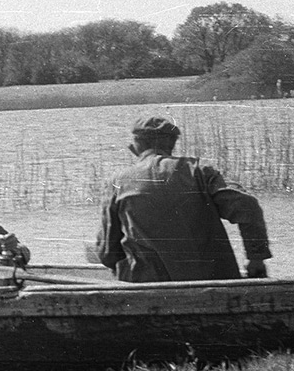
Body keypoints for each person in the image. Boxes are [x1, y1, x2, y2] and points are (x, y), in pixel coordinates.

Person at [94, 116, 271, 282]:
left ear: (135, 146)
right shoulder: (199, 170)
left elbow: (107, 252)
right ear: (172, 143)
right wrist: (256, 258)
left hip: (144, 284)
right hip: (212, 281)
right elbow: (247, 207)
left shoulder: (117, 182)